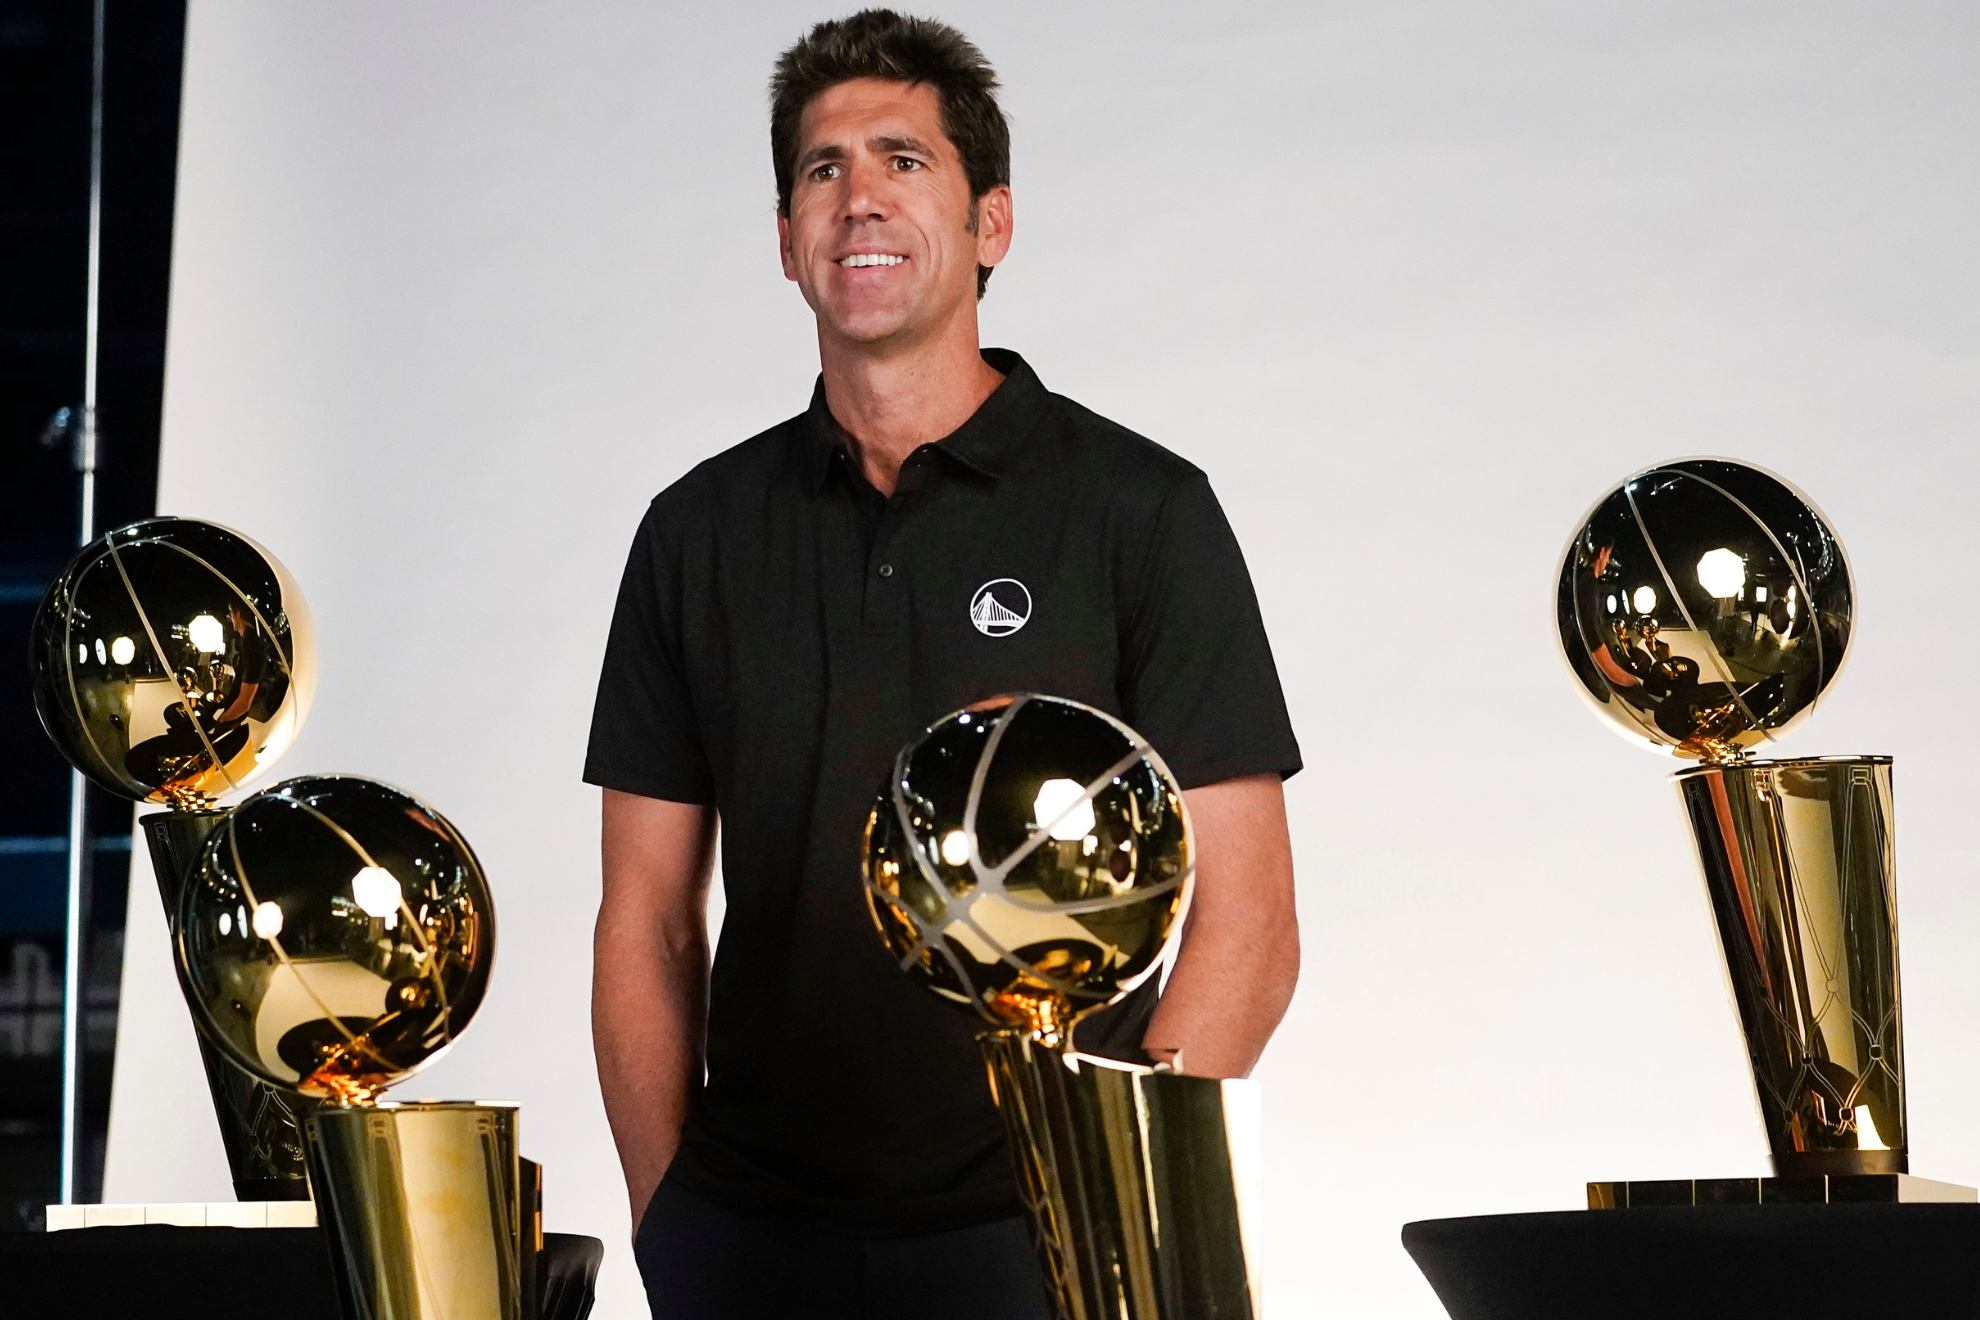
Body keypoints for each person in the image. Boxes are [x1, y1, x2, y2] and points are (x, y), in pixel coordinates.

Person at [586, 11, 1302, 1317]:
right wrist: (666, 1214)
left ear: (992, 225)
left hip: (1044, 1234)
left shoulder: (1140, 512)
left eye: (904, 160)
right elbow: (643, 919)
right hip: (749, 1236)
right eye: (822, 169)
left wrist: (1118, 1207)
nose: (859, 197)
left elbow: (1249, 925)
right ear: (790, 243)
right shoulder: (696, 533)